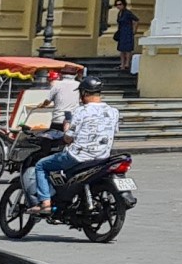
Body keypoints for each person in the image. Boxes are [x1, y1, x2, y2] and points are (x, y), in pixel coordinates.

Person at [27, 74, 119, 215]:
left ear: (84, 93)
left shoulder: (81, 111)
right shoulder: (113, 112)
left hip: (78, 156)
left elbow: (69, 138)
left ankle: (45, 203)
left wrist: (66, 128)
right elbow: (113, 131)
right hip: (102, 157)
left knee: (41, 165)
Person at [110, 0, 139, 72]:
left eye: (120, 4)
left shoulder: (128, 13)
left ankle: (127, 64)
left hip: (127, 32)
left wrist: (134, 30)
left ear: (124, 5)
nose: (118, 6)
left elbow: (136, 20)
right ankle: (122, 64)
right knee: (121, 49)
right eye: (117, 5)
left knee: (128, 49)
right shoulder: (120, 13)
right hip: (121, 32)